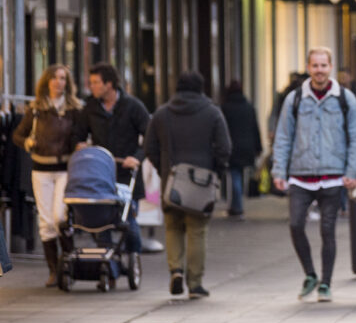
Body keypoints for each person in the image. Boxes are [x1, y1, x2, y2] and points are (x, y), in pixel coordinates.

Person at [271, 47, 356, 303]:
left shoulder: (345, 98)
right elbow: (283, 136)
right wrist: (279, 169)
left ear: (330, 67)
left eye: (324, 65)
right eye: (315, 65)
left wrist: (353, 170)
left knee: (327, 230)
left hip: (333, 176)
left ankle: (326, 283)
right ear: (308, 67)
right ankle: (310, 274)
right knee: (296, 224)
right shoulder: (295, 98)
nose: (319, 70)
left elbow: (355, 138)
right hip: (300, 174)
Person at [144, 71, 232, 299]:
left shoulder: (162, 114)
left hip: (170, 181)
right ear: (201, 88)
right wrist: (215, 171)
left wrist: (163, 169)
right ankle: (195, 284)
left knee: (172, 228)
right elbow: (224, 148)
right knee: (197, 231)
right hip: (201, 184)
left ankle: (176, 270)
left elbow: (149, 147)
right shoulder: (213, 113)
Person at [12, 64, 87, 287]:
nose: (58, 82)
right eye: (54, 78)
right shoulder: (36, 109)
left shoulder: (74, 109)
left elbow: (78, 135)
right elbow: (18, 135)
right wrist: (28, 142)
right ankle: (54, 271)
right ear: (47, 81)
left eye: (62, 78)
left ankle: (69, 264)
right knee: (45, 222)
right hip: (40, 170)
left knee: (60, 217)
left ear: (67, 82)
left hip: (64, 169)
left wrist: (79, 145)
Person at [80, 63, 150, 253]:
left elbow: (150, 136)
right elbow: (78, 135)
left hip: (126, 174)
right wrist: (80, 147)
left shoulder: (133, 106)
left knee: (128, 221)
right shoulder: (90, 108)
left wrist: (137, 157)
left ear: (109, 84)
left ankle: (133, 256)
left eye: (95, 82)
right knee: (101, 223)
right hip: (100, 174)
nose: (91, 86)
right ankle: (107, 262)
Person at [220, 80, 262, 219]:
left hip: (232, 147)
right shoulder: (249, 107)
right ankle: (235, 205)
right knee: (239, 175)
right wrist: (258, 147)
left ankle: (237, 207)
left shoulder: (225, 108)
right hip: (247, 147)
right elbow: (255, 128)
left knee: (235, 175)